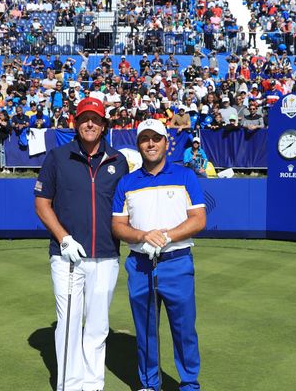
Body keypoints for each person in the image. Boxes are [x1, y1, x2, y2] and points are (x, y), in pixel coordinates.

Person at [34, 97, 129, 391]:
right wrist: (63, 239)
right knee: (70, 324)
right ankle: (69, 386)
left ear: (104, 126)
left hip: (106, 256)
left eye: (96, 119)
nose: (90, 124)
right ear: (76, 123)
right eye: (85, 118)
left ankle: (93, 385)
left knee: (98, 327)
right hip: (67, 258)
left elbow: (127, 208)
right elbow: (42, 203)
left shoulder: (118, 160)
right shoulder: (58, 157)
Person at [111, 119, 206, 391]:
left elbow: (198, 219)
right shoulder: (127, 182)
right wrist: (142, 236)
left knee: (184, 330)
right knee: (146, 331)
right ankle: (150, 385)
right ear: (139, 144)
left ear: (166, 142)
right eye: (145, 139)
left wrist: (166, 236)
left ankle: (189, 384)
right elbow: (117, 225)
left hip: (177, 263)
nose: (150, 144)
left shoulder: (185, 176)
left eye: (156, 138)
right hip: (140, 265)